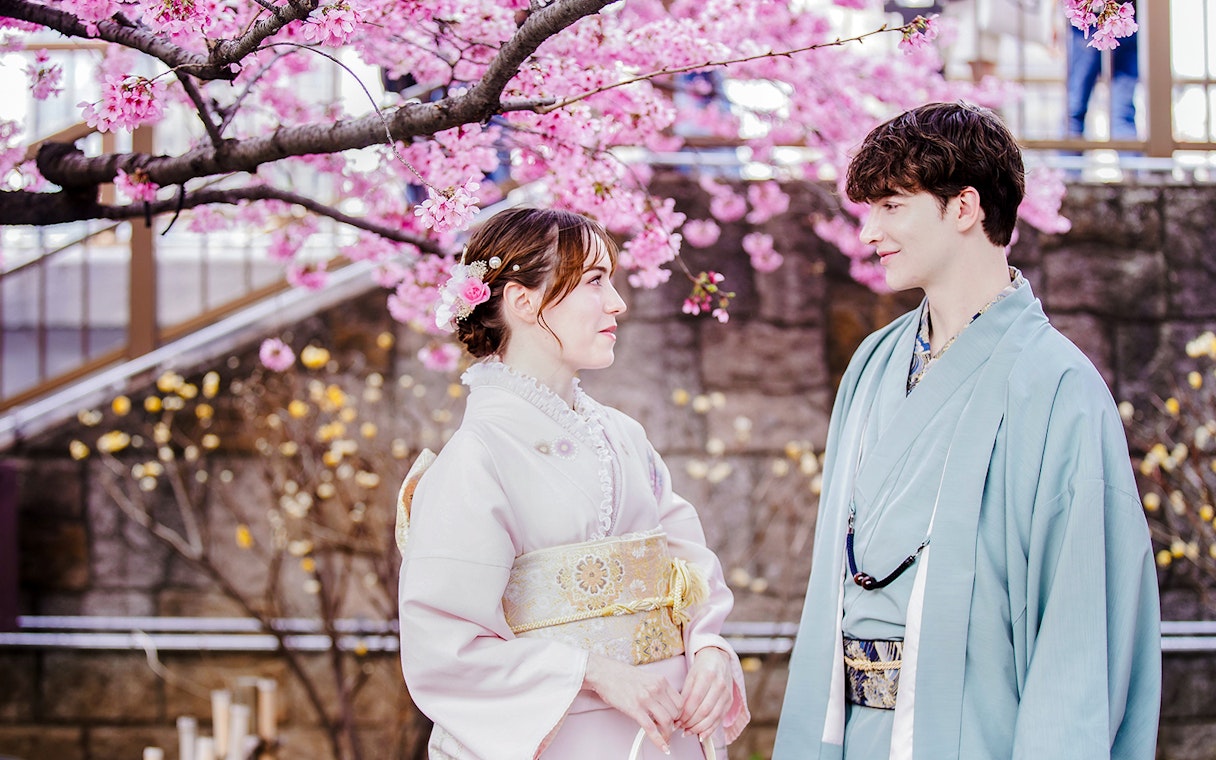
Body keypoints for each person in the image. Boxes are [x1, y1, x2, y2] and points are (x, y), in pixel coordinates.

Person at [772, 102, 1160, 759]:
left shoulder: (1060, 387)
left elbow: (1079, 629)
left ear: (964, 208)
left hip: (980, 735)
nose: (868, 233)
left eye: (891, 206)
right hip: (854, 734)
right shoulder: (872, 363)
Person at [397, 207, 750, 759]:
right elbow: (444, 647)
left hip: (670, 721)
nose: (617, 302)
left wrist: (708, 647)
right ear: (524, 302)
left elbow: (688, 567)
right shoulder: (475, 459)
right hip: (566, 732)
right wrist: (593, 671)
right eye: (594, 281)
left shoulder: (623, 435)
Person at [1066, 2, 1139, 145]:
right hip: (1116, 20)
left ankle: (1069, 165)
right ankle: (1131, 165)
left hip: (1103, 22)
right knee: (1122, 113)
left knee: (1075, 109)